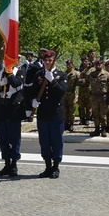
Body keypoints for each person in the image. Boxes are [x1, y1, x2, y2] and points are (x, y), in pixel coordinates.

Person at [32, 49, 68, 177]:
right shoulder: (39, 75)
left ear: (55, 61)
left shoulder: (62, 75)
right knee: (45, 141)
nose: (47, 62)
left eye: (50, 60)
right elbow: (33, 90)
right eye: (46, 60)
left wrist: (52, 81)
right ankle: (47, 166)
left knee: (56, 141)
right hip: (43, 114)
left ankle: (56, 167)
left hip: (56, 114)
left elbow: (62, 92)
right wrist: (33, 101)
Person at [0, 52, 24, 176]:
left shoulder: (20, 71)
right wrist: (0, 85)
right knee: (2, 138)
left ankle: (14, 164)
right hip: (1, 108)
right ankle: (6, 162)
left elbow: (17, 84)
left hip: (14, 109)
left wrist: (10, 76)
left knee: (14, 138)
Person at [63, 59, 80, 132]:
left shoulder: (76, 73)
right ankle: (66, 123)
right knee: (65, 109)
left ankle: (71, 124)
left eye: (70, 64)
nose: (68, 66)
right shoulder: (64, 73)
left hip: (72, 93)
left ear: (72, 65)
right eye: (67, 64)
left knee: (72, 109)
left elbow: (80, 81)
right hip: (65, 93)